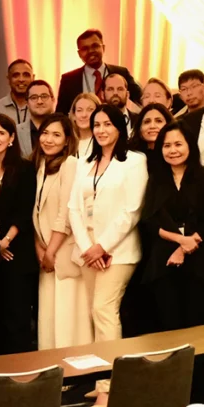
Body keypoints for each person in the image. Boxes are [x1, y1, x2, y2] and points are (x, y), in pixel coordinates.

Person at [68, 108, 145, 344]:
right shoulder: (85, 161)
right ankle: (99, 371)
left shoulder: (134, 160)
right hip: (87, 249)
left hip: (118, 250)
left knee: (104, 310)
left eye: (108, 124)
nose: (101, 130)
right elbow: (74, 207)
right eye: (97, 125)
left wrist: (102, 247)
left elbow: (132, 210)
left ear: (119, 128)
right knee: (94, 312)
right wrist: (87, 247)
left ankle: (109, 380)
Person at [137, 126, 204, 337]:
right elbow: (149, 220)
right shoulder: (156, 177)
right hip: (164, 259)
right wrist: (180, 240)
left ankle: (201, 369)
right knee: (168, 322)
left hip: (199, 257)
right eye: (167, 145)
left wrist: (183, 249)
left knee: (198, 322)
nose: (172, 150)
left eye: (178, 144)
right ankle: (173, 369)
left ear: (190, 146)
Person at [0, 116, 39, 354]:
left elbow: (25, 211)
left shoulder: (24, 169)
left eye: (2, 133)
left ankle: (18, 372)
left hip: (16, 252)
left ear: (12, 138)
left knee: (17, 315)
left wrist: (5, 241)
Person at [30, 114, 86, 350]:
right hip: (44, 252)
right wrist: (39, 247)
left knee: (68, 318)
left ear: (67, 140)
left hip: (63, 252)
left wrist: (51, 251)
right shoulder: (38, 165)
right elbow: (33, 212)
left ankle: (72, 372)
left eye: (56, 135)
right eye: (45, 133)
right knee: (48, 318)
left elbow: (65, 213)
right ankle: (51, 369)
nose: (49, 139)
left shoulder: (70, 164)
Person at [59, 30, 134, 101]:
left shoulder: (122, 73)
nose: (91, 51)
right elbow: (61, 112)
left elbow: (138, 102)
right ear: (79, 54)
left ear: (103, 48)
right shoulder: (68, 80)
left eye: (95, 46)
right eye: (85, 48)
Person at [0, 59, 40, 135]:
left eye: (26, 75)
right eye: (16, 75)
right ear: (8, 79)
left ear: (33, 78)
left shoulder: (42, 107)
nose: (21, 79)